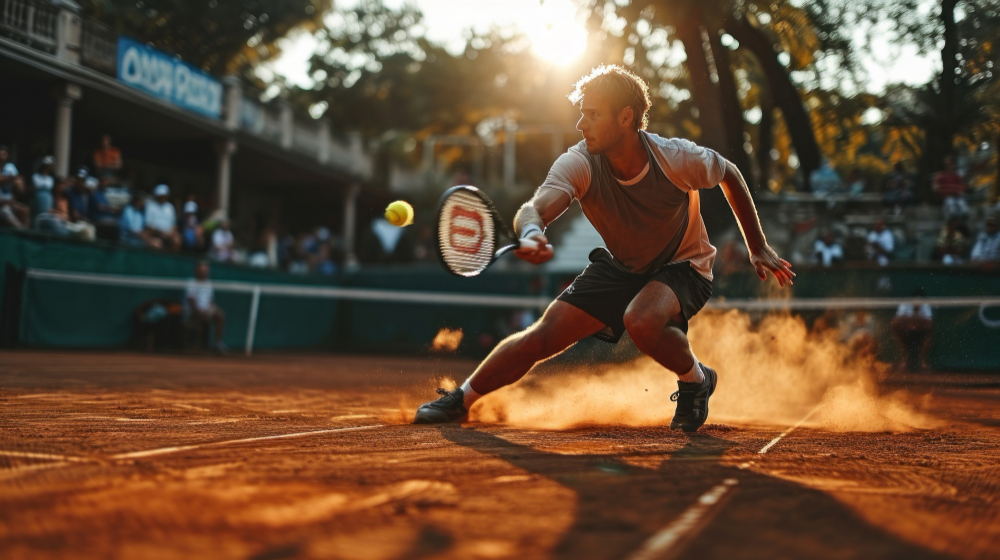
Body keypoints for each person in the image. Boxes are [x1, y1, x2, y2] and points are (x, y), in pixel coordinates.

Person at [413, 65, 795, 431]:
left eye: (593, 114)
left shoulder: (674, 157)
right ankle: (461, 400)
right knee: (541, 337)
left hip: (684, 264)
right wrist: (531, 230)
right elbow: (537, 206)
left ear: (626, 117)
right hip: (623, 266)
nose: (581, 124)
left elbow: (729, 172)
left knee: (641, 319)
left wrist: (756, 244)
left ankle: (695, 380)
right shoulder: (579, 160)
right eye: (581, 114)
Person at [184, 261, 226, 353]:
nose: (205, 273)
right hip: (193, 312)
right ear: (197, 271)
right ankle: (196, 347)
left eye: (206, 271)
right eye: (202, 271)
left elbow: (211, 301)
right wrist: (199, 312)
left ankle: (218, 344)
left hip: (207, 311)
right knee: (199, 317)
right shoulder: (192, 283)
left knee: (220, 315)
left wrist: (211, 309)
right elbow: (191, 302)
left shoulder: (209, 284)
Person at [891, 289, 933, 372]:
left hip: (920, 332)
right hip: (906, 332)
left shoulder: (926, 306)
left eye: (920, 301)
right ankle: (904, 361)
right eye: (915, 300)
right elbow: (896, 321)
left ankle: (922, 362)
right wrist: (910, 324)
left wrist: (916, 323)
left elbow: (930, 323)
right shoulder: (904, 305)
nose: (917, 303)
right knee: (895, 330)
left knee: (929, 336)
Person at [144, 184, 180, 250]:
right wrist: (161, 233)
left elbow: (174, 225)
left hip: (168, 234)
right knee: (157, 244)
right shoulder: (151, 206)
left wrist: (169, 233)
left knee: (177, 240)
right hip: (155, 234)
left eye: (164, 196)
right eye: (161, 195)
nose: (163, 197)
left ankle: (171, 259)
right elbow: (149, 225)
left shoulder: (170, 207)